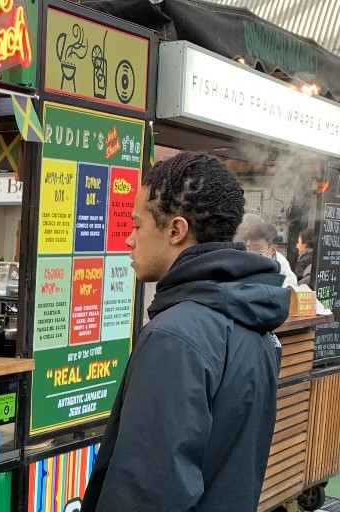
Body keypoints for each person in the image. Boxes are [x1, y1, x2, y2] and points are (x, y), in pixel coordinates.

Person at [81, 152, 288, 512]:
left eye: (137, 225)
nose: (129, 240)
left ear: (176, 230)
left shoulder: (175, 338)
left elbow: (145, 494)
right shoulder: (256, 323)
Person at [235, 214, 298, 287]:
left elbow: (291, 288)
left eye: (256, 248)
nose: (251, 252)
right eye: (248, 248)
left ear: (273, 249)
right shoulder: (242, 258)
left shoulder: (282, 265)